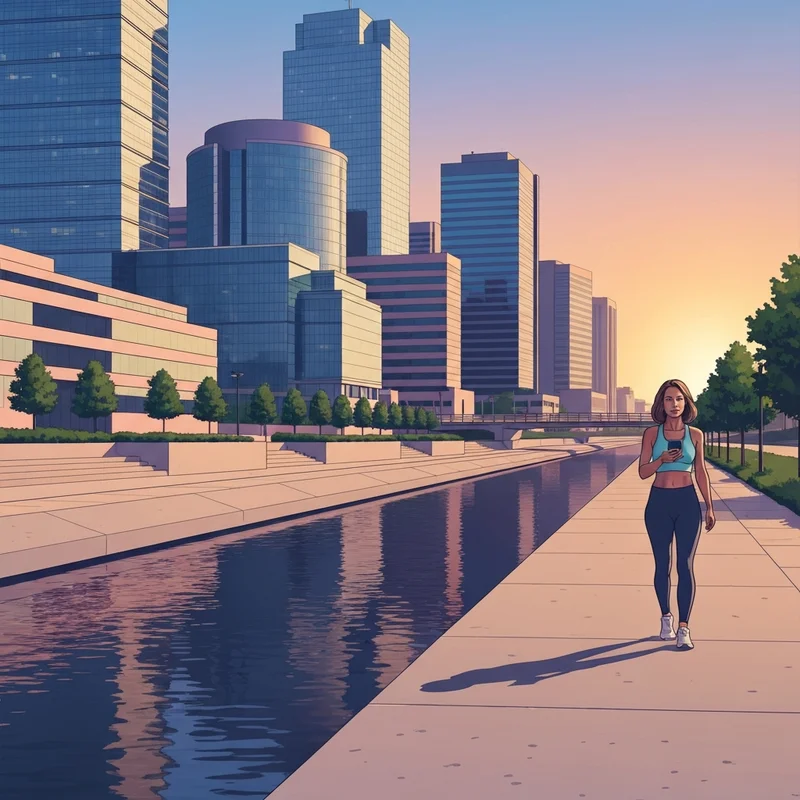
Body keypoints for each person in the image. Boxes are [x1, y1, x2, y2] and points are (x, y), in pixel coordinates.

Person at [638, 379, 716, 650]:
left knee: (685, 565)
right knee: (663, 564)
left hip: (687, 502)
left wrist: (709, 505)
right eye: (669, 399)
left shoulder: (696, 435)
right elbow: (642, 472)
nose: (674, 405)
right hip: (658, 502)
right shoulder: (651, 434)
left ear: (686, 403)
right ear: (661, 403)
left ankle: (684, 626)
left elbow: (701, 471)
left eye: (679, 399)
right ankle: (666, 618)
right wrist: (661, 460)